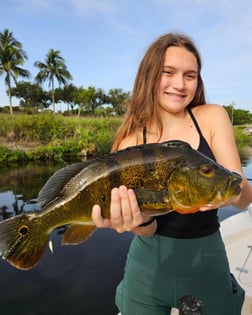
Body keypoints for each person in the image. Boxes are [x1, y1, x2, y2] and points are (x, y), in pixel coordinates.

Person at [92, 32, 252, 315]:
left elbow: (243, 195)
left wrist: (233, 192)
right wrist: (136, 221)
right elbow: (148, 229)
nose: (179, 84)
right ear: (150, 75)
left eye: (190, 76)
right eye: (169, 72)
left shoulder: (213, 117)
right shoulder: (128, 142)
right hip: (147, 265)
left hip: (206, 258)